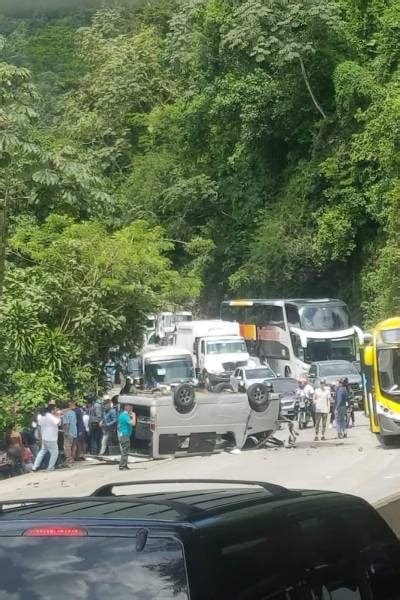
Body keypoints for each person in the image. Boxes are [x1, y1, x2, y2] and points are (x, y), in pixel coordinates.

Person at [33, 406, 61, 472]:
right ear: (51, 410)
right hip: (51, 437)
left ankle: (35, 466)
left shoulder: (41, 417)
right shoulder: (50, 416)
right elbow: (58, 423)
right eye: (54, 409)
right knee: (55, 452)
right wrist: (58, 416)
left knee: (42, 451)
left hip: (44, 437)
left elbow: (39, 425)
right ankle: (50, 467)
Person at [118, 404, 136, 471]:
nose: (131, 408)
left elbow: (119, 426)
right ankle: (122, 466)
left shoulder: (122, 415)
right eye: (130, 406)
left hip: (123, 434)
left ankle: (124, 465)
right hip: (125, 435)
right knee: (125, 451)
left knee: (125, 450)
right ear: (125, 407)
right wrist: (134, 415)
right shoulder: (125, 416)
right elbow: (133, 423)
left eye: (132, 406)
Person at [63, 399, 78, 466]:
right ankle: (72, 459)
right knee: (73, 446)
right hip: (74, 431)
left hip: (69, 432)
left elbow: (67, 424)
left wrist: (66, 432)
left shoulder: (66, 413)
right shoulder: (73, 412)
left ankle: (69, 460)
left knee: (67, 446)